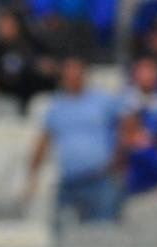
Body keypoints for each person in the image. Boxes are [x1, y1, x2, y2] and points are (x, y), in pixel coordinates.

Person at [27, 56, 121, 235]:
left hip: (99, 180)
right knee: (61, 236)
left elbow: (126, 128)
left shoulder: (103, 101)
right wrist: (32, 176)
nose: (73, 76)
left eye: (76, 72)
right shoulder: (57, 106)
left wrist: (119, 160)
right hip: (69, 182)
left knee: (102, 236)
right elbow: (43, 142)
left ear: (84, 75)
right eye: (68, 72)